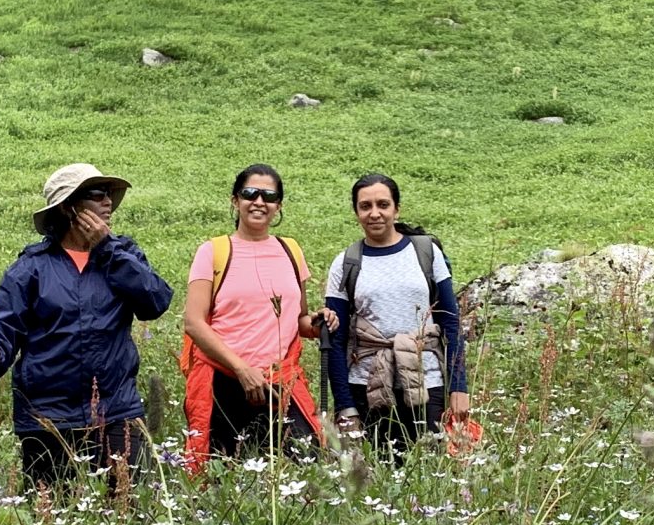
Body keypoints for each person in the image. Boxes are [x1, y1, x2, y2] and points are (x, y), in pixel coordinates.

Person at [0, 163, 173, 493]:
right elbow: (5, 329)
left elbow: (155, 302)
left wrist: (108, 249)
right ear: (68, 207)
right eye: (96, 194)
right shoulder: (31, 268)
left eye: (109, 194)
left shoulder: (124, 255)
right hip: (47, 417)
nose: (108, 202)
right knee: (51, 518)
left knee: (129, 511)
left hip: (117, 410)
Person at [178, 163, 325, 471]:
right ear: (236, 200)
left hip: (278, 382)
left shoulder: (291, 250)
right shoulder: (213, 251)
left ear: (279, 206)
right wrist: (242, 369)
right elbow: (194, 321)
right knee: (220, 478)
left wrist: (319, 322)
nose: (259, 202)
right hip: (225, 380)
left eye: (269, 196)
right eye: (250, 193)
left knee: (307, 465)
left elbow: (298, 320)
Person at [320, 173, 470, 457]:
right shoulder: (346, 262)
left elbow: (449, 320)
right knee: (374, 477)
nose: (374, 213)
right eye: (365, 206)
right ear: (356, 212)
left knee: (429, 473)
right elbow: (334, 338)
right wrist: (344, 406)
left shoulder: (427, 253)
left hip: (428, 383)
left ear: (396, 209)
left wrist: (459, 386)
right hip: (367, 385)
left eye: (382, 204)